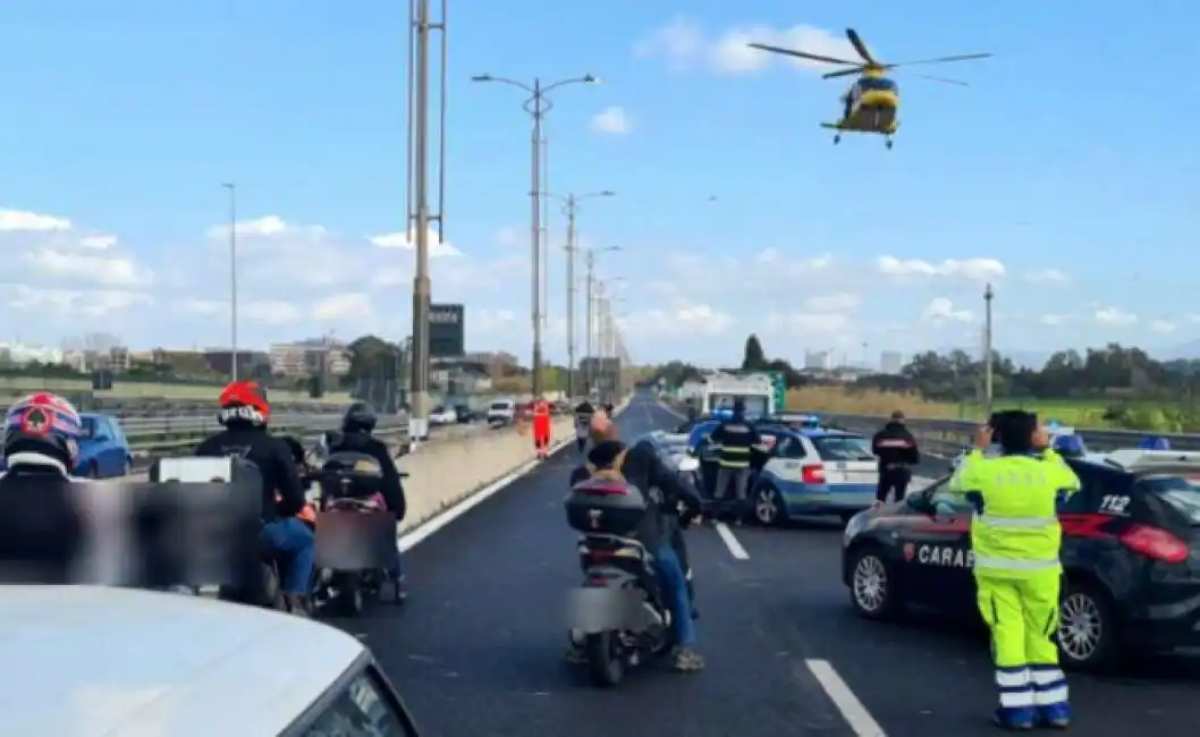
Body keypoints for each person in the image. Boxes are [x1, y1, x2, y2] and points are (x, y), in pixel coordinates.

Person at [948, 411, 1081, 731]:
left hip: (997, 572)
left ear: (996, 436)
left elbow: (957, 484)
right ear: (1033, 436)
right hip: (1042, 572)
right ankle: (1055, 708)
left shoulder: (984, 471)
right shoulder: (1049, 472)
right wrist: (1048, 449)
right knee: (1042, 635)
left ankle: (1018, 710)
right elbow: (1073, 482)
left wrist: (977, 449)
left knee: (1008, 634)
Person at [569, 413, 706, 672]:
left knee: (588, 582)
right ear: (615, 432)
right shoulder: (640, 457)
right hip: (641, 540)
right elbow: (673, 483)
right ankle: (685, 648)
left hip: (595, 544)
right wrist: (696, 503)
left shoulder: (582, 472)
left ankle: (579, 646)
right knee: (674, 580)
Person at [196, 380, 315, 614]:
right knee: (306, 541)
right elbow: (296, 500)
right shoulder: (275, 447)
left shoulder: (206, 447)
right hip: (260, 532)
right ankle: (295, 600)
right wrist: (280, 510)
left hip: (211, 535)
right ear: (259, 409)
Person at [323, 401, 408, 600]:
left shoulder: (335, 445)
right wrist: (397, 509)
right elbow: (390, 482)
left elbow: (325, 476)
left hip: (340, 500)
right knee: (387, 536)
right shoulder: (376, 447)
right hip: (365, 502)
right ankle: (398, 579)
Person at [709, 398, 760, 521]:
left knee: (719, 491)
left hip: (726, 462)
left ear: (733, 410)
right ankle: (738, 519)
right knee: (741, 493)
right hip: (742, 464)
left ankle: (715, 517)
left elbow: (712, 439)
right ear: (743, 411)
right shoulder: (749, 426)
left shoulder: (725, 425)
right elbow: (757, 442)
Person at [872, 411, 920, 505]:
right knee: (899, 498)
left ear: (891, 419)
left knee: (881, 497)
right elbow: (914, 456)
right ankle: (896, 517)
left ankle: (877, 515)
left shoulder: (880, 435)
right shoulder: (908, 436)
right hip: (902, 470)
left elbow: (875, 450)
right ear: (903, 421)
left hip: (886, 470)